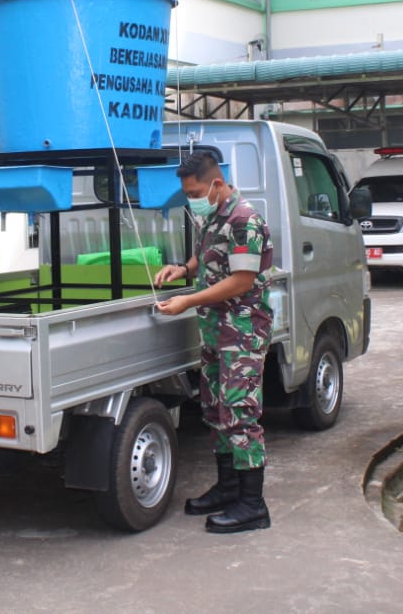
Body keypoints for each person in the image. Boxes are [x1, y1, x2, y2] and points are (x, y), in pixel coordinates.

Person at [153, 151, 274, 533]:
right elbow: (208, 256)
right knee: (216, 410)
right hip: (216, 329)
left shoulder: (244, 220)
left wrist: (188, 299)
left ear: (216, 184)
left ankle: (253, 505)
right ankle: (228, 488)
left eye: (194, 190)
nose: (191, 197)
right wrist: (183, 269)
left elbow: (241, 281)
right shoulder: (215, 215)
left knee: (240, 413)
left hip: (242, 330)